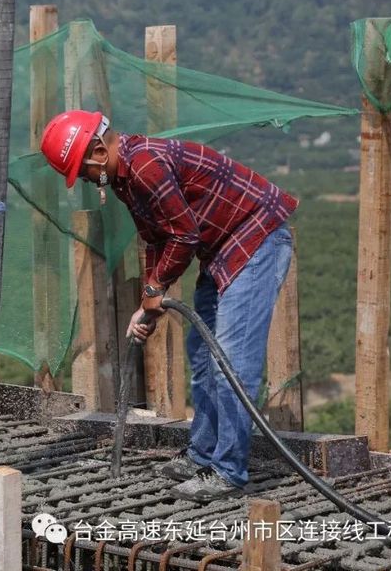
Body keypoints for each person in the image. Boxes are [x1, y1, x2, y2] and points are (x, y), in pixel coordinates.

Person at [40, 110, 298, 503]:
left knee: (230, 362)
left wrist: (156, 287)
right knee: (202, 354)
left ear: (96, 151)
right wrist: (149, 300)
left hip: (254, 240)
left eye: (83, 171)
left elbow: (183, 235)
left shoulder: (144, 165)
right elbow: (155, 240)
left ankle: (228, 472)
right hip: (220, 250)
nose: (88, 181)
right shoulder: (127, 179)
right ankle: (201, 454)